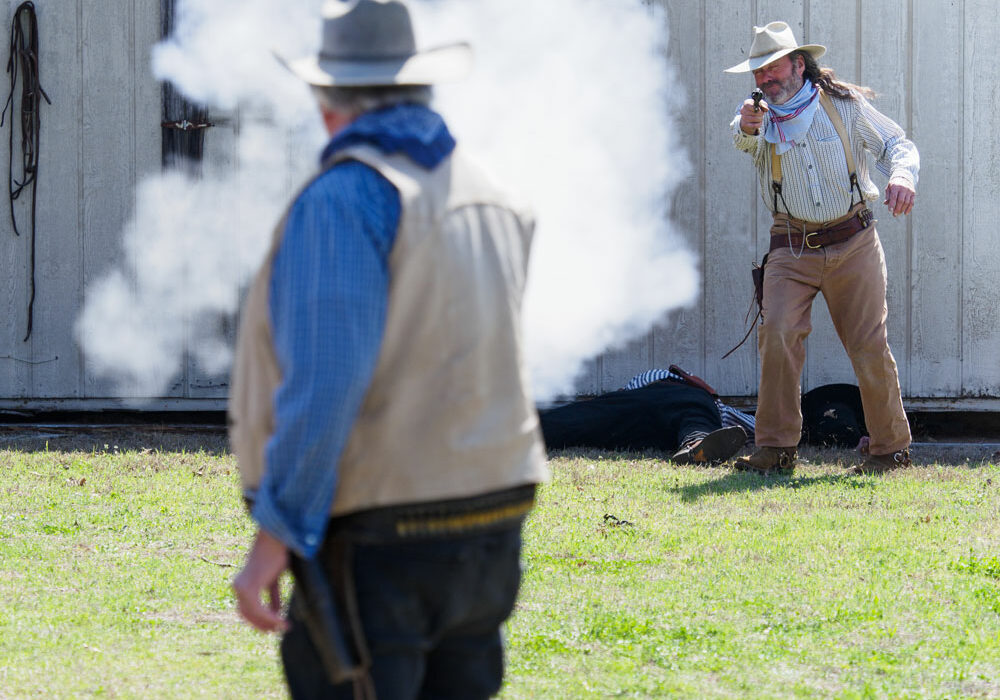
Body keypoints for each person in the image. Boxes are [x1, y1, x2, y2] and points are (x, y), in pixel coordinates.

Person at [226, 1, 548, 697]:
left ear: (327, 100)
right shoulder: (494, 192)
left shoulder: (346, 196)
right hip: (492, 520)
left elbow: (328, 381)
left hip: (382, 533)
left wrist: (274, 533)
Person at [724, 21, 917, 476]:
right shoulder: (757, 116)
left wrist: (903, 175)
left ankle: (890, 451)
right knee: (777, 336)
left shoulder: (845, 105)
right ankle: (775, 448)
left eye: (771, 69)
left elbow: (897, 143)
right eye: (757, 73)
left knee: (869, 345)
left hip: (855, 242)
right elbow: (741, 133)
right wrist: (748, 125)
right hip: (790, 247)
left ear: (798, 64)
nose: (763, 80)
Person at [540, 366, 752, 464]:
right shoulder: (711, 402)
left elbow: (620, 398)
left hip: (645, 419)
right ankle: (697, 445)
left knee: (585, 419)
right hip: (682, 402)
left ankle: (530, 430)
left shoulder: (649, 378)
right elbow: (756, 426)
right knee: (696, 420)